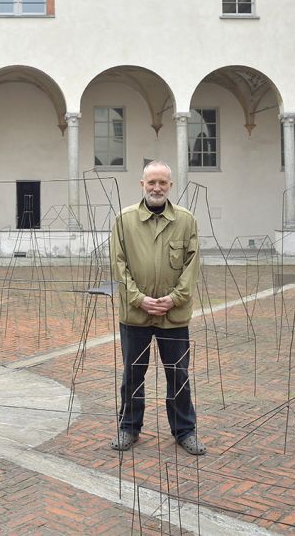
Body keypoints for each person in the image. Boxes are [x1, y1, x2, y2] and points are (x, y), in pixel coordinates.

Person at [109, 160, 205, 455]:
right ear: (142, 184)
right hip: (135, 314)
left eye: (162, 182)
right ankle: (129, 428)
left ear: (170, 186)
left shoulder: (186, 221)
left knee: (178, 374)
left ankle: (184, 430)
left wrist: (175, 298)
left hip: (173, 315)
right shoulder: (124, 220)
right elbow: (118, 264)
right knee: (133, 374)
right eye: (151, 182)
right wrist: (139, 299)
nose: (157, 187)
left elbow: (192, 265)